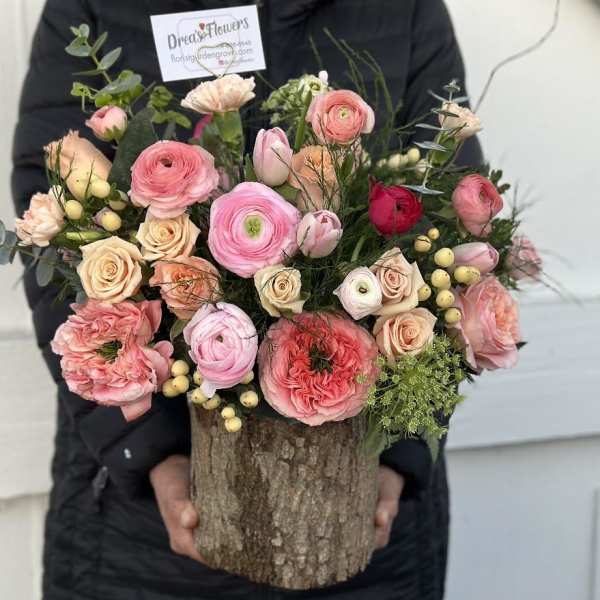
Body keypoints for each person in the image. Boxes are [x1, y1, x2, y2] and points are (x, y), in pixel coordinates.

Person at [12, 1, 482, 599]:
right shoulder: (96, 7)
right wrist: (150, 453)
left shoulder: (405, 9)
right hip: (137, 535)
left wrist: (399, 454)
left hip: (367, 525)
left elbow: (454, 215)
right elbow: (54, 217)